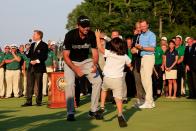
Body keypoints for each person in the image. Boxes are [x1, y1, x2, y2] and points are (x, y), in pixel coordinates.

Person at [63, 15, 102, 121]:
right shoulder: (70, 35)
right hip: (71, 62)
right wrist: (75, 69)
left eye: (87, 26)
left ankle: (93, 110)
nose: (86, 28)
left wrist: (95, 64)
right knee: (70, 84)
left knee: (98, 81)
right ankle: (70, 112)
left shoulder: (92, 34)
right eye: (83, 26)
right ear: (78, 26)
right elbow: (65, 56)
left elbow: (95, 53)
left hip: (86, 61)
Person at [95, 30, 131, 127]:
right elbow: (130, 65)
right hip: (117, 81)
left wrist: (98, 37)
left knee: (104, 90)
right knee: (118, 99)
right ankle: (120, 114)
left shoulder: (109, 53)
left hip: (107, 79)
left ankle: (102, 107)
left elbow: (99, 47)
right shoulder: (124, 56)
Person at [22, 30, 48, 107]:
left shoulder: (44, 45)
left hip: (39, 67)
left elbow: (44, 56)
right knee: (29, 84)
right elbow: (29, 55)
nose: (33, 36)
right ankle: (29, 101)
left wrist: (36, 61)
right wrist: (26, 50)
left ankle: (38, 101)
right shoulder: (32, 44)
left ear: (39, 36)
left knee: (39, 84)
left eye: (34, 35)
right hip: (31, 68)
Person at [135, 20, 156, 109]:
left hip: (149, 57)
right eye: (141, 26)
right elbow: (138, 46)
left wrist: (141, 48)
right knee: (143, 80)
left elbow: (152, 49)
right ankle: (150, 101)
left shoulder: (151, 35)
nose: (142, 28)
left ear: (147, 25)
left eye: (144, 26)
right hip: (142, 58)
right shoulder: (141, 35)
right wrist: (137, 49)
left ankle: (149, 102)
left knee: (147, 80)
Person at [131, 22, 145, 107]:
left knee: (144, 81)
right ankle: (140, 99)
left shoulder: (146, 36)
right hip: (136, 61)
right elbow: (132, 48)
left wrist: (137, 50)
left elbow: (146, 50)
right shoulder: (135, 36)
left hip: (143, 61)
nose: (138, 29)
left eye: (139, 27)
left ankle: (146, 98)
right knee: (137, 81)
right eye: (137, 27)